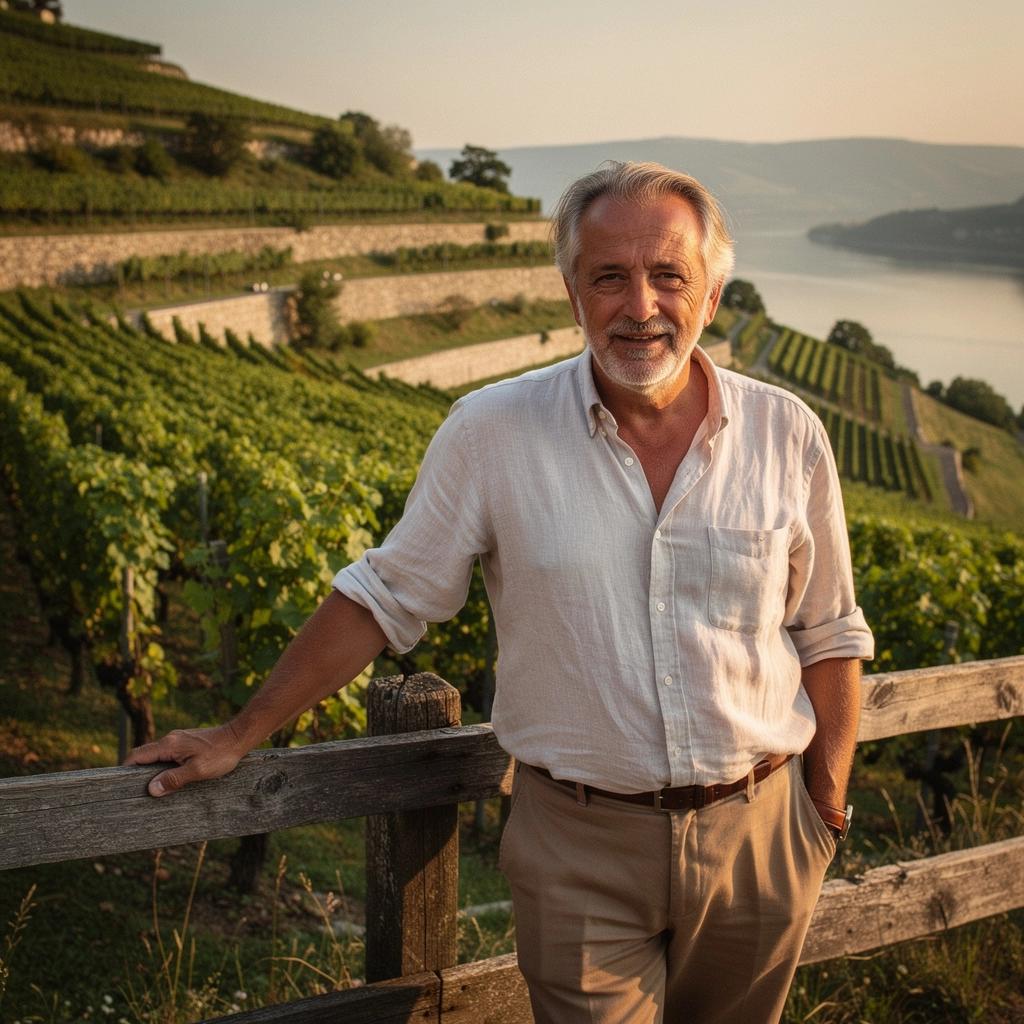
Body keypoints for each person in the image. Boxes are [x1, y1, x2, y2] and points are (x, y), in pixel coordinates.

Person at [127, 161, 874, 1023]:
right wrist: (239, 731)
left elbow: (829, 633)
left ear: (710, 297)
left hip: (764, 837)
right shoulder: (490, 433)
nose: (640, 306)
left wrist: (824, 810)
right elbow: (384, 597)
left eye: (669, 275)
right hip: (578, 849)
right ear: (571, 294)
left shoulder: (790, 434)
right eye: (609, 278)